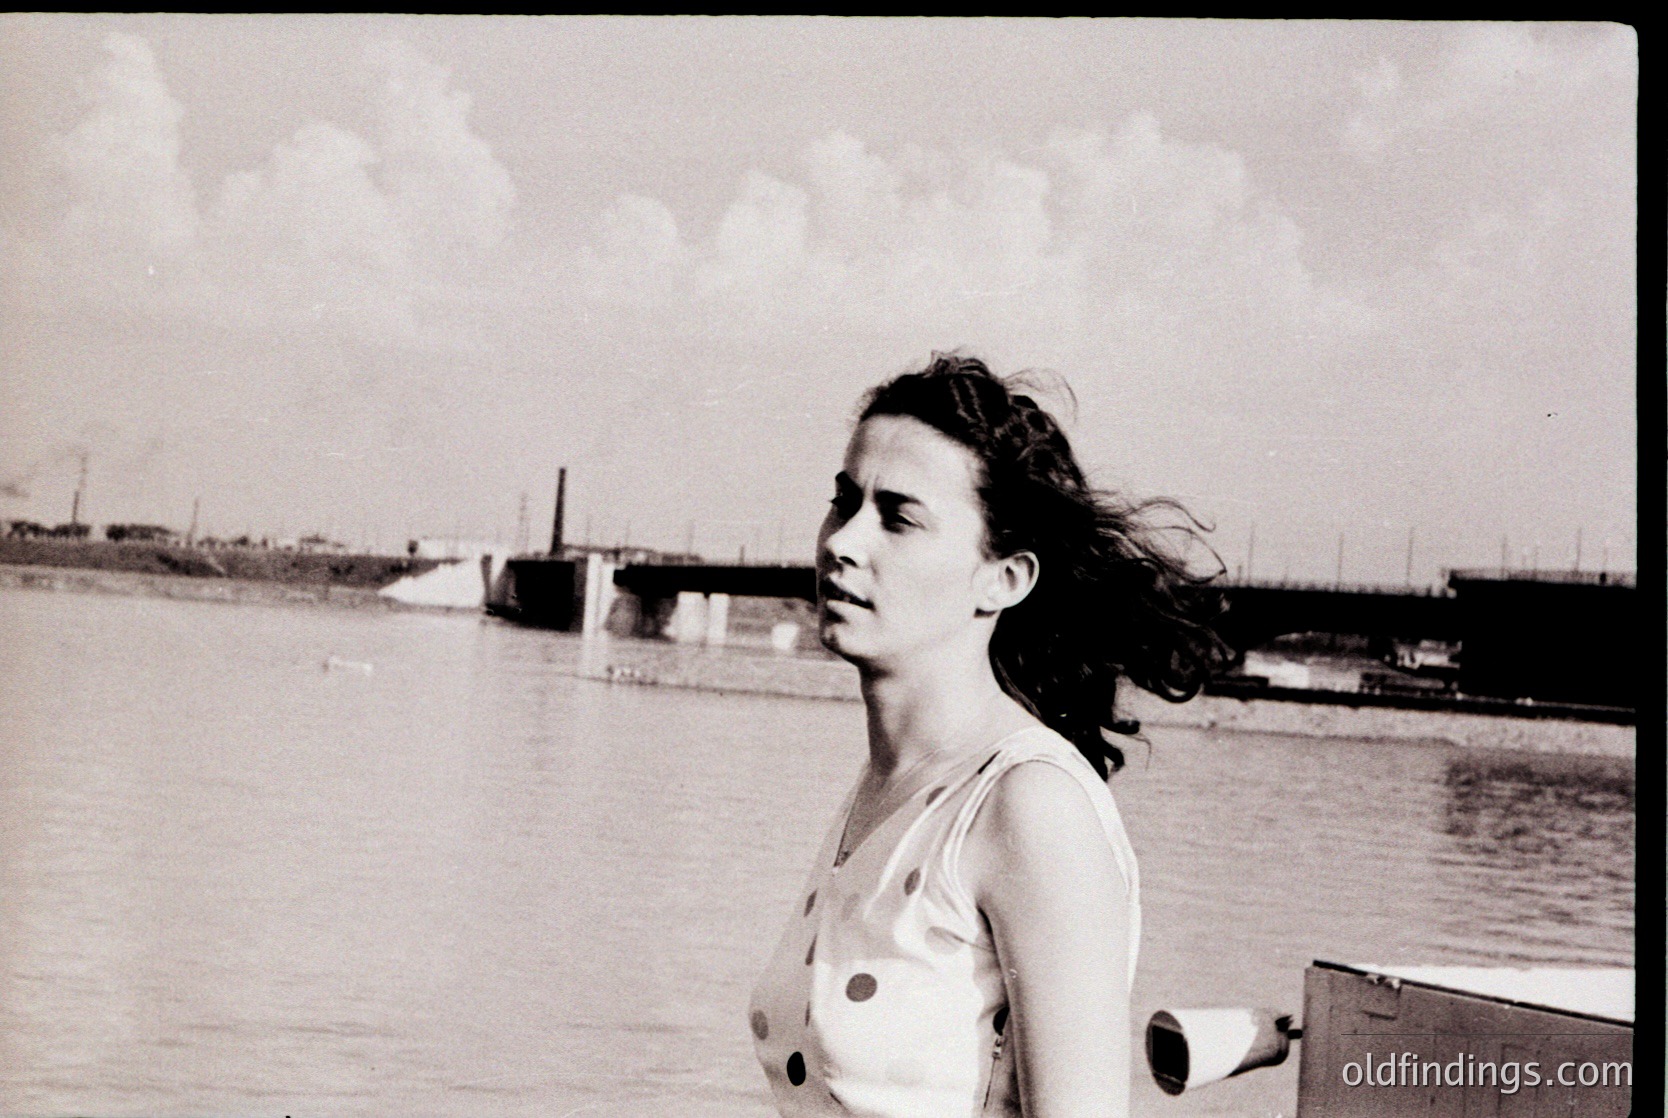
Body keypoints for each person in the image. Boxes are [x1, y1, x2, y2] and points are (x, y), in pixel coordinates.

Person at [749, 353, 1228, 1117]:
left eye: (898, 517)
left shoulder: (1030, 805)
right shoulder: (881, 791)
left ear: (1002, 579)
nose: (843, 541)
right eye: (844, 503)